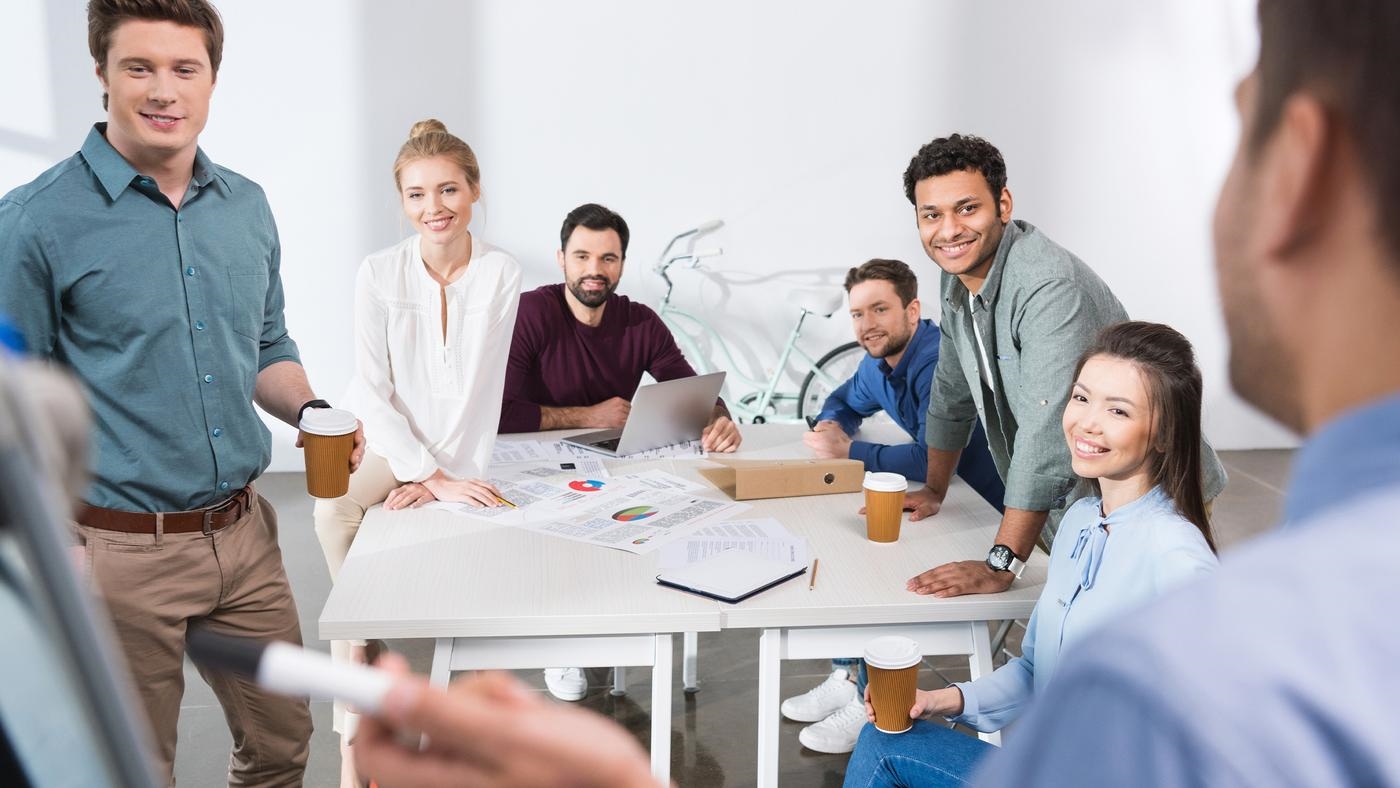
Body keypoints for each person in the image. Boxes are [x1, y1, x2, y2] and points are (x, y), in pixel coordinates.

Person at [974, 1, 1400, 784]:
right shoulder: (1083, 531)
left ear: (1297, 170)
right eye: (1082, 397)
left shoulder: (1172, 695)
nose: (1086, 422)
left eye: (1242, 131)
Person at [0, 0, 364, 783]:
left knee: (282, 745)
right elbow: (11, 404)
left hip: (245, 537)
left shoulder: (246, 207)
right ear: (101, 75)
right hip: (116, 551)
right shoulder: (34, 223)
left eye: (183, 69)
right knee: (137, 770)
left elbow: (265, 344)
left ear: (211, 80)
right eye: (140, 67)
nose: (164, 90)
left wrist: (311, 409)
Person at [842, 321, 1219, 786]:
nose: (1087, 422)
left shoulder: (1178, 557)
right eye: (1082, 398)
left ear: (1163, 433)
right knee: (883, 740)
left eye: (1118, 411)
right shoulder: (1080, 519)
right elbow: (1033, 671)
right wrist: (940, 699)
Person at [898, 133, 1227, 600]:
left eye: (967, 208)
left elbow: (1048, 429)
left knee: (1151, 647)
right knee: (1076, 631)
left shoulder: (1049, 287)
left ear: (1003, 204)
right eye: (932, 215)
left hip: (1150, 495)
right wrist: (935, 488)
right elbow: (951, 391)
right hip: (1083, 495)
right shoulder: (957, 279)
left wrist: (1000, 563)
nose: (949, 230)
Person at [312, 118, 521, 787]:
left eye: (448, 189)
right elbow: (372, 388)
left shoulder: (501, 273)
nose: (435, 207)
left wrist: (441, 479)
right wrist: (419, 469)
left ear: (475, 190)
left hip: (457, 447)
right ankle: (357, 711)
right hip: (384, 433)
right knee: (332, 509)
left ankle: (361, 710)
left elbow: (479, 391)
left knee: (377, 602)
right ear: (400, 202)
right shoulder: (376, 273)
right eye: (417, 194)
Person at [500, 202, 740, 700]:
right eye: (582, 255)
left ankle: (621, 623)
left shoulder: (640, 322)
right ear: (561, 259)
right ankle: (562, 644)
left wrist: (719, 417)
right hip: (533, 458)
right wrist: (585, 415)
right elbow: (499, 412)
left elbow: (691, 387)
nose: (594, 269)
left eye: (607, 258)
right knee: (559, 535)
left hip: (611, 458)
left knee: (657, 516)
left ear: (622, 264)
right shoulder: (531, 312)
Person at [787, 258, 1005, 754]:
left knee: (877, 561)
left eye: (880, 309)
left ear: (912, 309)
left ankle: (870, 697)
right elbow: (843, 398)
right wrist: (833, 425)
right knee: (851, 543)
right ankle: (848, 677)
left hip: (994, 510)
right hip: (948, 499)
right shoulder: (878, 363)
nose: (867, 325)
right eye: (858, 314)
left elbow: (934, 454)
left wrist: (852, 452)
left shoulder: (936, 359)